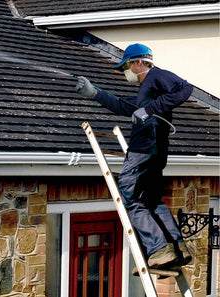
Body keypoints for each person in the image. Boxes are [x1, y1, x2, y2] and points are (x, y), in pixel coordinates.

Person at [76, 43, 193, 270]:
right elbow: (126, 108)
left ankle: (159, 249)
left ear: (140, 62)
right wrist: (96, 93)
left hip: (143, 148)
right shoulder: (148, 89)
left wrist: (148, 110)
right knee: (151, 201)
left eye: (127, 66)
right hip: (156, 150)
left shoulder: (156, 76)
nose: (126, 71)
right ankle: (177, 249)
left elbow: (185, 89)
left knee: (130, 196)